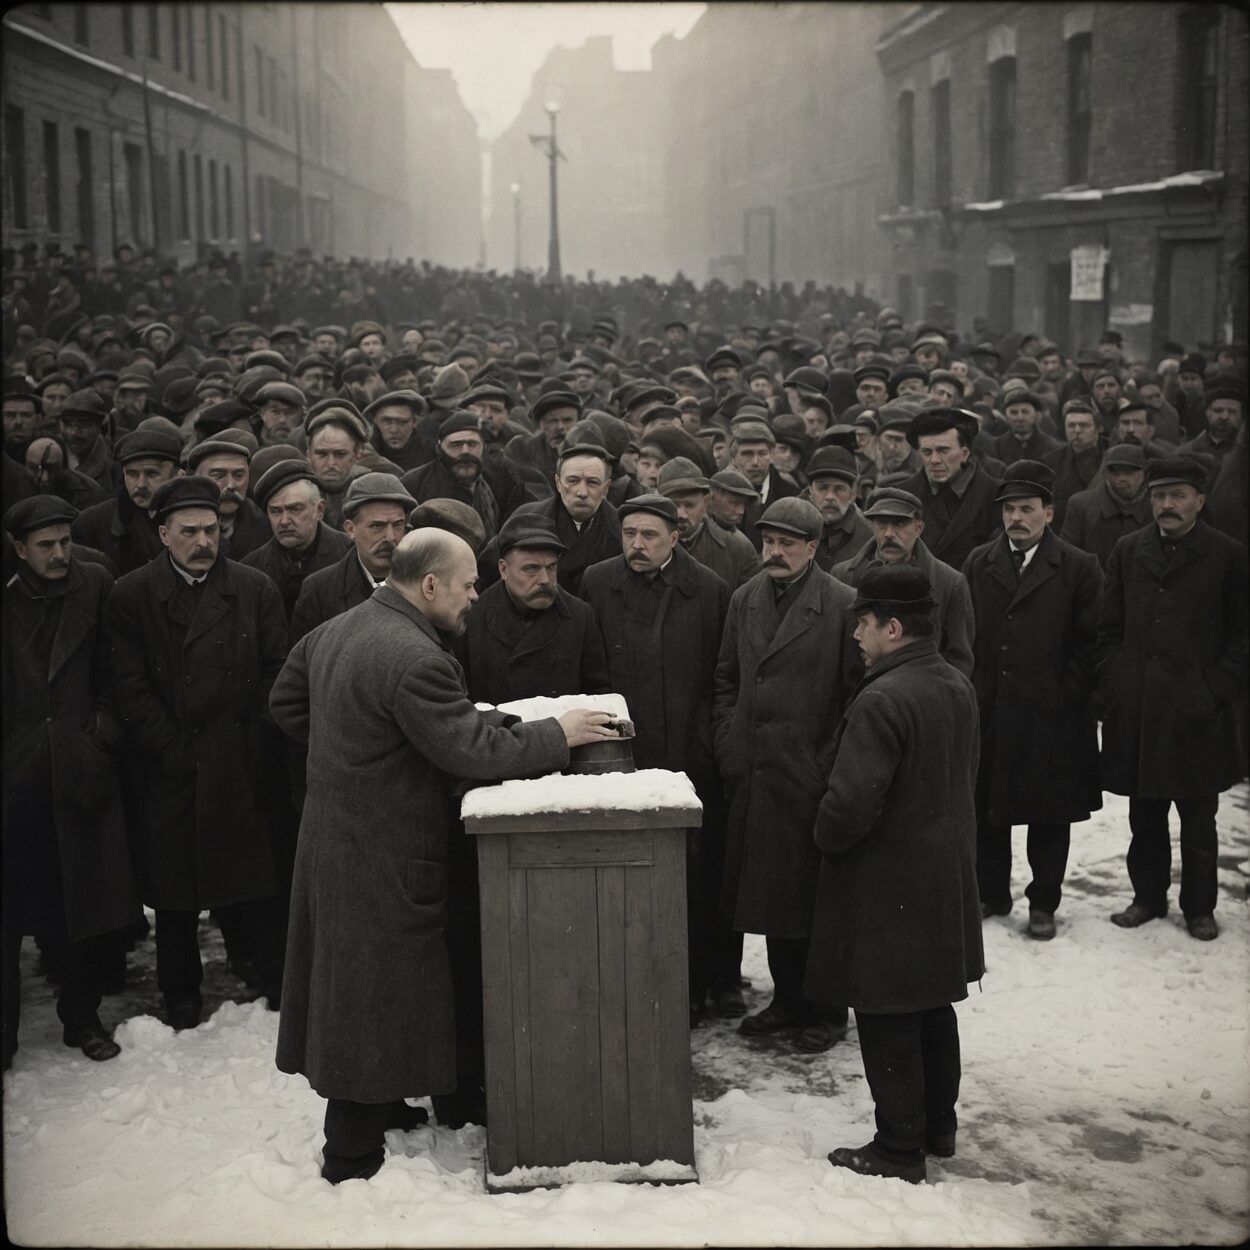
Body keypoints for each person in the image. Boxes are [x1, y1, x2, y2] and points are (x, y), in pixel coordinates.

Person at [270, 527, 617, 1183]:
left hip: (336, 841)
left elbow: (288, 704)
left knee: (363, 989)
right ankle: (350, 1156)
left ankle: (378, 1114)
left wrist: (360, 746)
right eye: (467, 585)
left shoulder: (339, 629)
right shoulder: (416, 657)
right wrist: (559, 734)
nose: (474, 598)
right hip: (388, 852)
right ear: (429, 584)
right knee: (373, 994)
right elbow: (472, 753)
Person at [806, 563, 982, 1186]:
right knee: (934, 1006)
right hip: (943, 876)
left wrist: (824, 837)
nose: (856, 634)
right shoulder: (954, 684)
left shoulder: (882, 696)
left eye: (864, 623)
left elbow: (851, 804)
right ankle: (937, 1127)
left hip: (887, 885)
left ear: (895, 627)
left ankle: (898, 1149)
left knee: (886, 1013)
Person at [104, 476, 290, 1029]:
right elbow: (128, 687)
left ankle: (261, 968)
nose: (203, 541)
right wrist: (171, 750)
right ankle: (180, 989)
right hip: (169, 762)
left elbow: (277, 670)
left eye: (211, 530)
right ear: (164, 534)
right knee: (175, 889)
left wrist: (248, 743)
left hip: (239, 758)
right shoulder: (132, 595)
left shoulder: (254, 589)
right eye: (189, 532)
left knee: (252, 874)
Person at [714, 497, 858, 1053]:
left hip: (810, 776)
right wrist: (729, 741)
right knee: (771, 893)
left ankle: (826, 1010)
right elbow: (726, 678)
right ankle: (786, 999)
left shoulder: (842, 604)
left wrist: (828, 764)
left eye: (787, 543)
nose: (773, 552)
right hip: (755, 771)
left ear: (814, 549)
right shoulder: (745, 599)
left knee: (816, 900)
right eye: (768, 541)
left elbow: (854, 696)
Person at [2, 496, 142, 1068]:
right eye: (45, 546)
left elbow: (119, 670)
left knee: (79, 901)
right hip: (16, 773)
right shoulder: (5, 598)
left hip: (81, 766)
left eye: (65, 541)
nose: (59, 554)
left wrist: (100, 736)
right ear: (18, 549)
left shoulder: (95, 584)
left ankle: (81, 1019)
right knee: (12, 908)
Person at [580, 495, 732, 1021]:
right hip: (618, 757)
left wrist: (709, 742)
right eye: (629, 534)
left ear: (676, 537)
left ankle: (697, 987)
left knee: (695, 874)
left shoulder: (709, 589)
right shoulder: (598, 583)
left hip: (691, 759)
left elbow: (722, 673)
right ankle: (634, 985)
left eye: (649, 535)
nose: (637, 545)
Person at [1098, 456, 1249, 941]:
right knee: (1145, 816)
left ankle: (1200, 907)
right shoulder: (1127, 550)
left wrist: (1214, 690)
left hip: (1199, 715)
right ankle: (1147, 897)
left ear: (1200, 501)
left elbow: (1243, 638)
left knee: (1199, 821)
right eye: (1160, 495)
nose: (1167, 505)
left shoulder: (1228, 556)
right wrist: (1118, 682)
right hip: (1140, 711)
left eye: (1178, 495)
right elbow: (1108, 629)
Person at [961, 461, 1104, 940]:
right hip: (992, 708)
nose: (1016, 518)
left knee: (1048, 812)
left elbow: (1092, 644)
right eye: (1009, 509)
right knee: (988, 807)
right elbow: (965, 634)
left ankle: (1043, 902)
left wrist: (1063, 694)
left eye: (1027, 509)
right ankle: (990, 892)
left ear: (1049, 512)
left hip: (1053, 716)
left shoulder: (1078, 567)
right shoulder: (980, 563)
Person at [461, 513, 610, 705]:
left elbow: (598, 694)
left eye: (551, 567)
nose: (545, 580)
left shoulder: (580, 617)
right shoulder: (472, 618)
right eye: (531, 569)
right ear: (503, 569)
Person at [832, 486, 974, 676]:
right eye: (881, 524)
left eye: (899, 524)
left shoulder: (949, 583)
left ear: (918, 527)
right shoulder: (844, 575)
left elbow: (959, 659)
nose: (889, 533)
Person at [476, 443, 621, 598]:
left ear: (606, 488)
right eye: (573, 481)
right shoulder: (526, 518)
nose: (582, 492)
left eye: (592, 482)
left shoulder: (621, 530)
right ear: (558, 483)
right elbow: (489, 572)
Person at [242, 459, 352, 623]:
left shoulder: (351, 554)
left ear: (320, 510)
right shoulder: (251, 568)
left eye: (295, 509)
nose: (284, 521)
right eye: (275, 511)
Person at [899, 408, 1001, 570]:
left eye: (943, 450)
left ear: (965, 453)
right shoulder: (902, 495)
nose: (934, 460)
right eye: (927, 452)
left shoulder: (996, 495)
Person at [657, 456, 760, 591]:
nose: (681, 514)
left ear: (706, 503)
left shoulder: (739, 549)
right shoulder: (641, 543)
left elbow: (748, 606)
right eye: (673, 504)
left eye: (689, 505)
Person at [401, 410, 501, 543]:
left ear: (484, 447)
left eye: (472, 444)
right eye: (455, 445)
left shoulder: (494, 484)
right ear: (439, 448)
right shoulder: (413, 484)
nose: (465, 451)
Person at [1059, 443, 1151, 571]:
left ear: (1143, 473)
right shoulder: (1081, 505)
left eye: (1128, 472)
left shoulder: (1155, 506)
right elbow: (1067, 558)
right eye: (1114, 471)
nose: (1121, 478)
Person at [802, 445, 872, 571]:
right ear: (810, 493)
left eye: (839, 489)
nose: (830, 497)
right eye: (822, 488)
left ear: (853, 494)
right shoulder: (796, 529)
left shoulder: (871, 537)